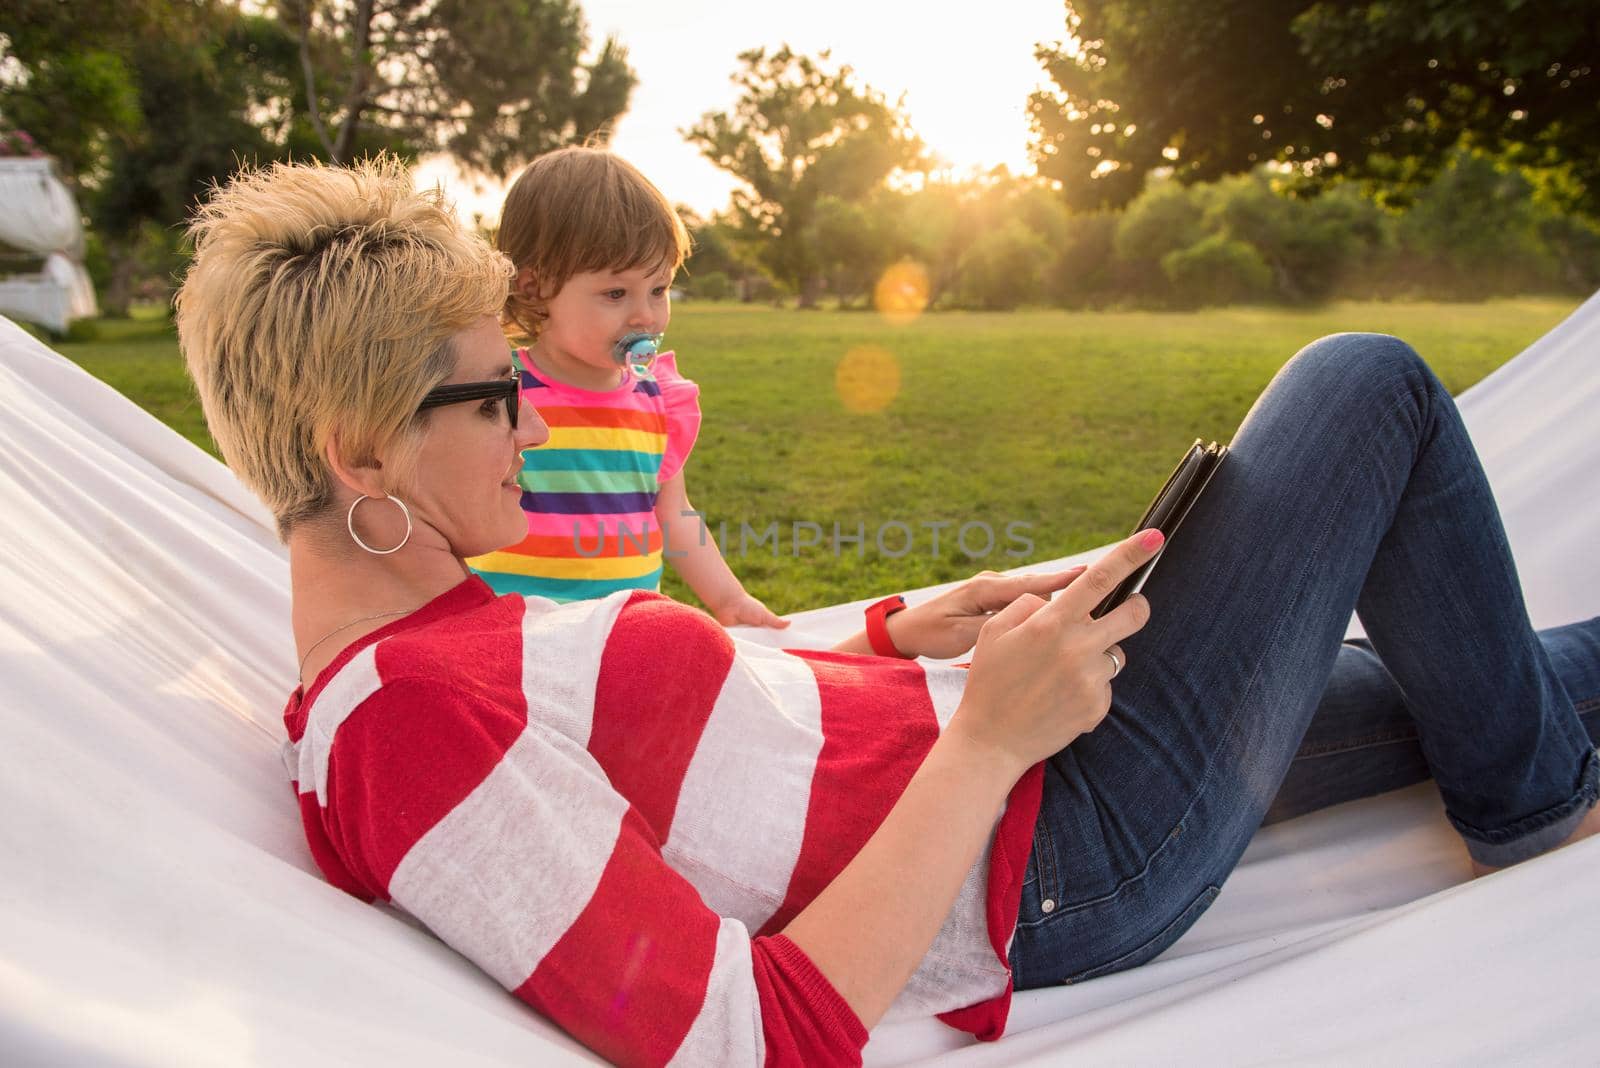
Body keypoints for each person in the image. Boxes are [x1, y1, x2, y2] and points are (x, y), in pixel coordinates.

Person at [173, 157, 1600, 1067]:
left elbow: (705, 728)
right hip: (1059, 850)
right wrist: (986, 742)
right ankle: (1535, 804)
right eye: (499, 401)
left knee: (1470, 669)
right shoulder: (401, 729)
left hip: (1030, 763)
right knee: (1367, 385)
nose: (537, 436)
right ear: (361, 454)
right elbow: (752, 1036)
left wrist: (911, 627)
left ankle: (1526, 750)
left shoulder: (449, 626)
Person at [465, 145, 787, 628]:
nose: (645, 314)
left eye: (658, 289)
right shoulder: (498, 392)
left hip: (626, 640)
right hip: (514, 632)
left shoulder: (658, 401)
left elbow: (675, 515)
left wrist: (729, 600)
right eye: (615, 293)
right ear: (534, 290)